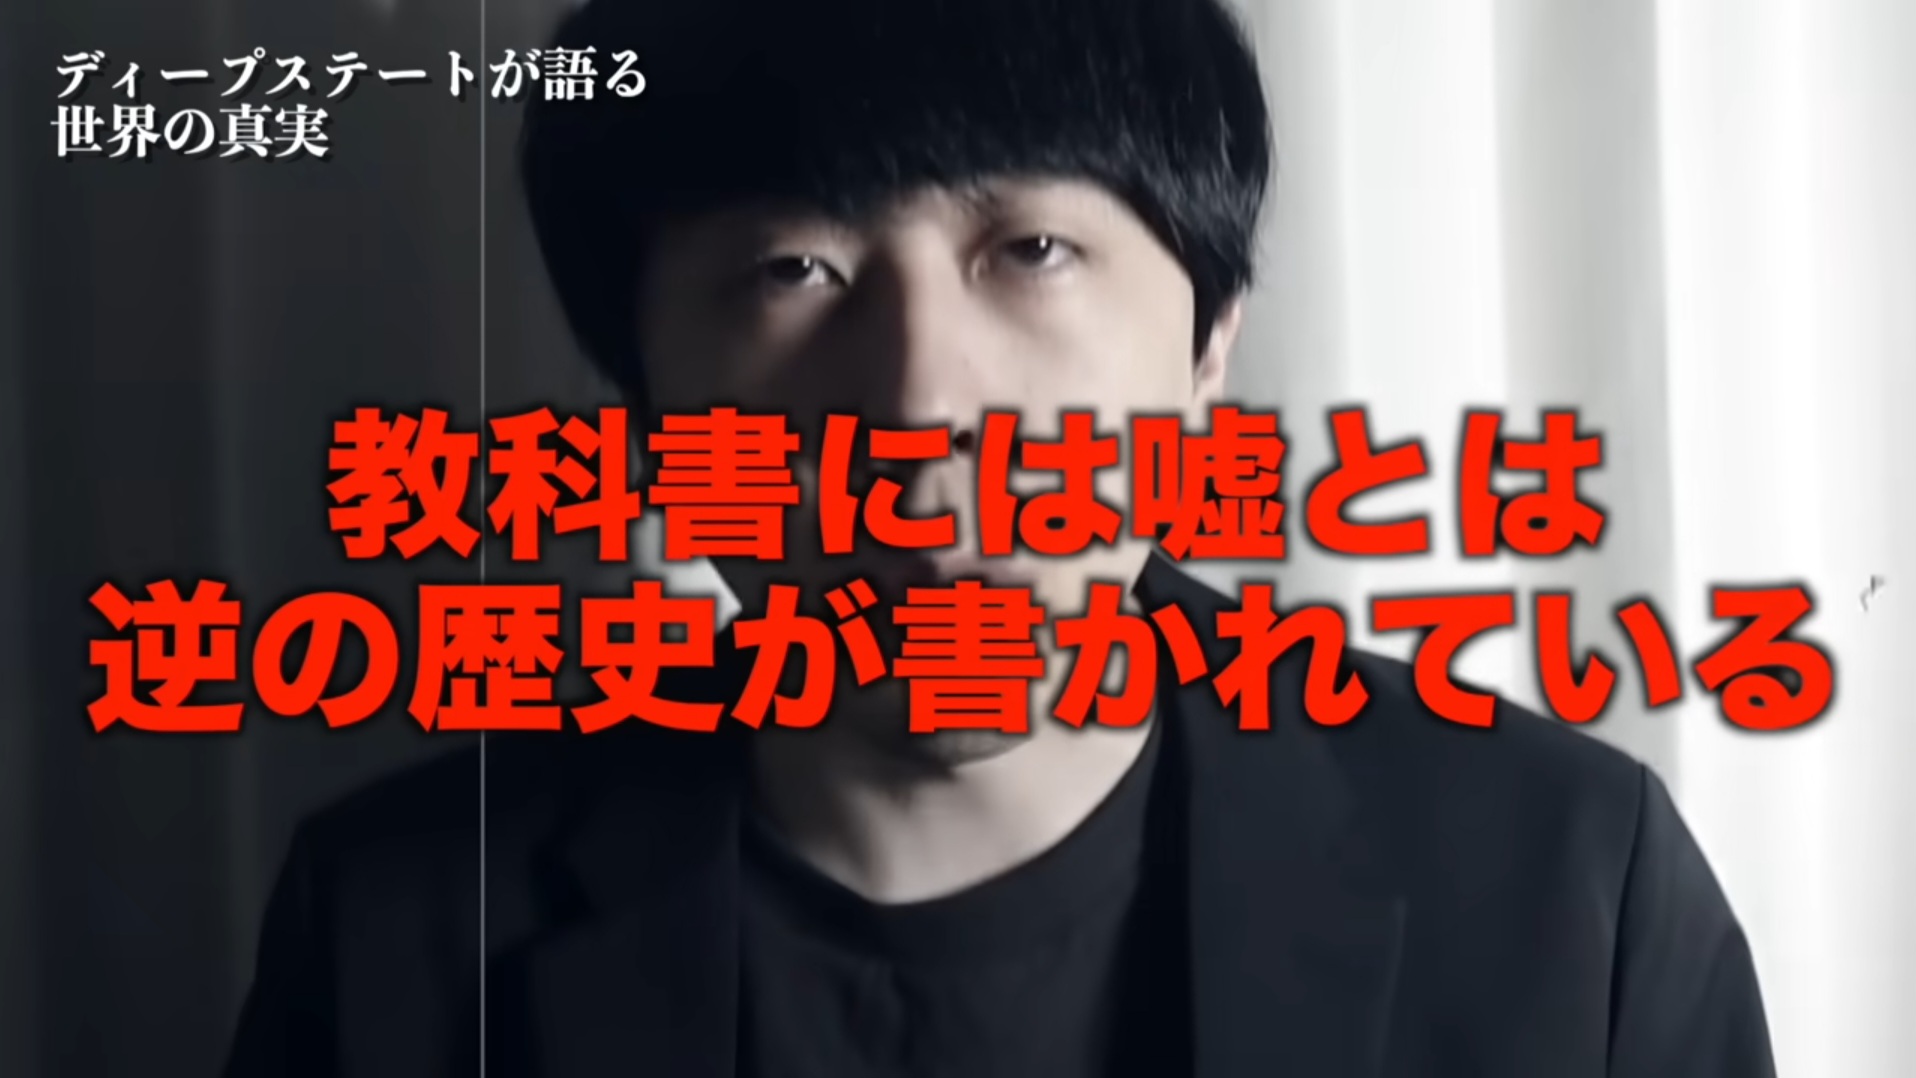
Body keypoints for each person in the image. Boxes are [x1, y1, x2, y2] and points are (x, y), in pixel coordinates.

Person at [223, 0, 1776, 1074]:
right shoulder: (390, 933)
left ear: (1209, 340)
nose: (919, 401)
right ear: (644, 398)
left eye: (1030, 247)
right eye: (792, 269)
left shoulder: (1573, 894)